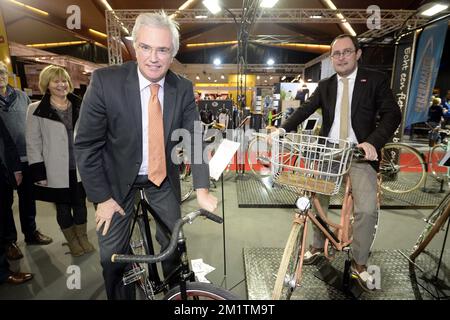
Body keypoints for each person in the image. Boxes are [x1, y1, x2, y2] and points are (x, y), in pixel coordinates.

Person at [74, 11, 217, 300]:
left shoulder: (183, 87)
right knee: (112, 257)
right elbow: (86, 145)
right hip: (115, 183)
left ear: (172, 53)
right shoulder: (105, 82)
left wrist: (202, 189)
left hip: (161, 178)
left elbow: (194, 138)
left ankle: (176, 295)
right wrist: (102, 198)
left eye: (163, 49)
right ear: (135, 47)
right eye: (146, 47)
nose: (154, 57)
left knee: (173, 245)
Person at [273, 34, 401, 291]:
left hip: (359, 153)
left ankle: (359, 262)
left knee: (365, 209)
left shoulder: (374, 80)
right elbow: (304, 110)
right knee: (316, 200)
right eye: (336, 53)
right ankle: (318, 247)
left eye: (346, 52)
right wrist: (282, 129)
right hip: (331, 152)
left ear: (357, 53)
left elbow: (392, 114)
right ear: (331, 58)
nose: (341, 57)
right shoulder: (326, 85)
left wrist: (372, 142)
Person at [26, 65, 94, 257]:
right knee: (63, 208)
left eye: (64, 80)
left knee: (81, 206)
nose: (61, 85)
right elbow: (33, 142)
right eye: (56, 81)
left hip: (79, 168)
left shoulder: (81, 105)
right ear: (46, 84)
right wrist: (39, 172)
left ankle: (82, 237)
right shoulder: (35, 110)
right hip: (55, 169)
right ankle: (72, 241)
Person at [0, 61, 52, 261]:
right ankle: (9, 241)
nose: (1, 76)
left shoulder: (22, 97)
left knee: (28, 198)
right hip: (4, 162)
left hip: (26, 156)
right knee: (5, 202)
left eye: (3, 72)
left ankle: (31, 233)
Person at [0, 116, 33, 285]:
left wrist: (15, 168)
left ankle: (8, 245)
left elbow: (6, 140)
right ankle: (2, 273)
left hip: (3, 172)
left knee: (5, 213)